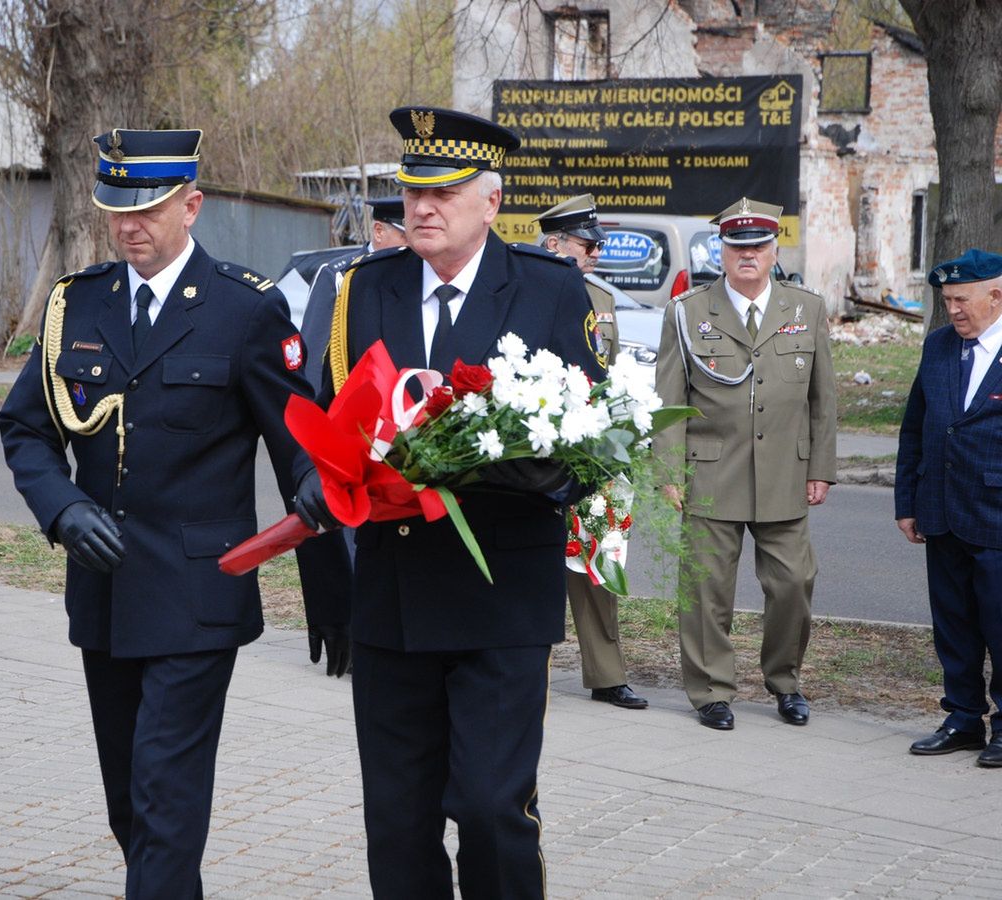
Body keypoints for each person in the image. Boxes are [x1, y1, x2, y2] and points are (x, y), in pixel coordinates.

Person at [0, 127, 350, 898]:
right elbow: (24, 424)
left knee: (165, 796)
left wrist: (321, 524)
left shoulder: (244, 310)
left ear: (191, 206)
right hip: (106, 591)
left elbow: (301, 442)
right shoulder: (75, 305)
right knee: (130, 802)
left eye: (148, 208)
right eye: (117, 209)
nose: (129, 225)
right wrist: (61, 509)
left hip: (198, 595)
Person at [322, 106, 605, 897]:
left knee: (489, 809)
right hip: (394, 595)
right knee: (398, 820)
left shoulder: (548, 291)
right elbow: (330, 429)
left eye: (443, 193)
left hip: (500, 597)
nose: (421, 209)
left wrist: (522, 472)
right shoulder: (363, 289)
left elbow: (594, 442)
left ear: (492, 200)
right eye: (412, 192)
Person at [653, 197, 837, 731]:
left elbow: (823, 399)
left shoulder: (806, 309)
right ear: (723, 251)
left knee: (794, 583)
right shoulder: (687, 313)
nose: (748, 255)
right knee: (706, 589)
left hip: (785, 471)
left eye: (758, 246)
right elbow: (669, 400)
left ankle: (785, 681)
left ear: (774, 248)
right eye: (738, 247)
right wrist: (668, 472)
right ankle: (711, 690)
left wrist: (820, 467)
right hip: (710, 470)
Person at [536, 194, 648, 710]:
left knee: (598, 559)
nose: (596, 254)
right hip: (534, 445)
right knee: (531, 561)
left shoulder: (600, 298)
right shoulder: (526, 284)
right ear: (555, 243)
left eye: (598, 245)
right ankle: (526, 667)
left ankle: (606, 673)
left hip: (591, 448)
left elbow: (610, 368)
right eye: (587, 245)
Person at [896, 248, 1002, 767]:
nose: (953, 310)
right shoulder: (939, 346)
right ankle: (962, 718)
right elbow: (915, 426)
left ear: (995, 296)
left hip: (997, 514)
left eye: (961, 300)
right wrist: (907, 502)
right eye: (947, 300)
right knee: (953, 624)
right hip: (941, 509)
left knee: (1001, 625)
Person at [301, 197, 409, 389]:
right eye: (406, 237)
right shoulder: (338, 274)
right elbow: (315, 351)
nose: (412, 245)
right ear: (378, 231)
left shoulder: (415, 272)